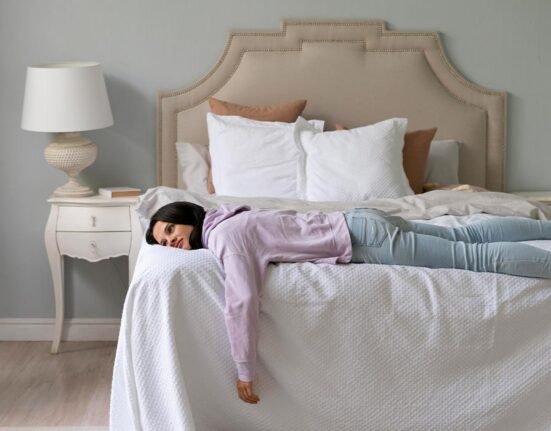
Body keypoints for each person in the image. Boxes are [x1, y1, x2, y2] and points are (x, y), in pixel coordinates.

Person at [145, 201, 551, 404]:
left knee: (472, 258)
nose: (171, 242)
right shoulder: (231, 218)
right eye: (164, 243)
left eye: (169, 230)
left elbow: (242, 299)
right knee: (467, 238)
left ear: (186, 217)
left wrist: (244, 368)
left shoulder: (224, 238)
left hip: (363, 241)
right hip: (360, 219)